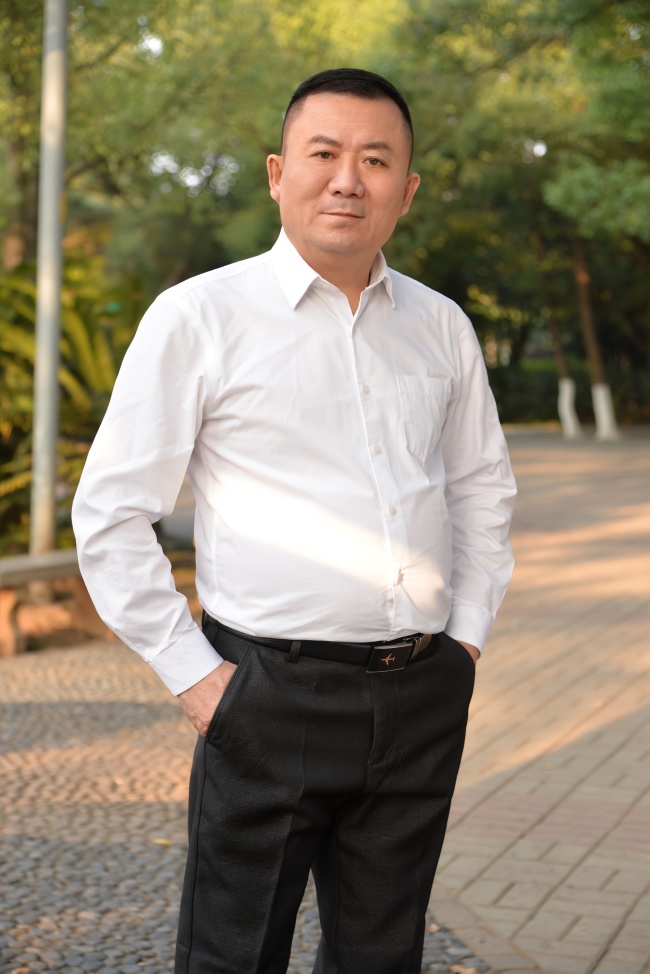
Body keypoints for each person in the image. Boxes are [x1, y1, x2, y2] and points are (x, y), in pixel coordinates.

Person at [72, 68, 516, 974]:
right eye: (324, 154)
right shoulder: (200, 316)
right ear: (279, 174)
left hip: (420, 695)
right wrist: (197, 679)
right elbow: (111, 514)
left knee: (381, 957)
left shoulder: (441, 326)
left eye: (376, 161)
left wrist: (464, 643)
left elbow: (481, 491)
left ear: (406, 190)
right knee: (232, 957)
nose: (348, 179)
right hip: (265, 694)